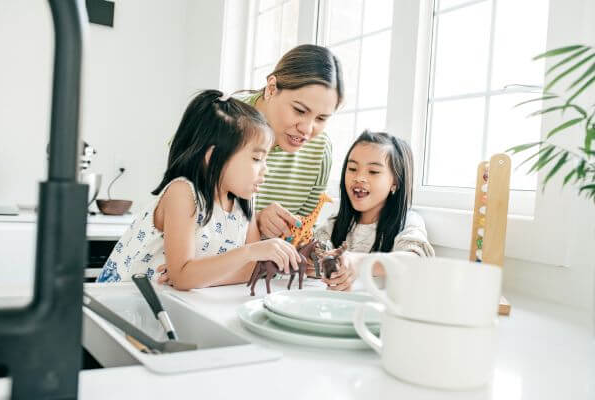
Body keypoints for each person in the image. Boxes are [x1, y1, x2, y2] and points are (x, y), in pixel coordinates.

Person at [96, 90, 301, 290]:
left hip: (168, 306)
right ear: (213, 156)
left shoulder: (243, 202)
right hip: (122, 303)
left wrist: (195, 276)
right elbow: (185, 277)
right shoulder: (183, 194)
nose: (266, 168)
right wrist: (249, 253)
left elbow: (250, 271)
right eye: (257, 158)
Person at [239, 44, 344, 240]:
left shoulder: (320, 149)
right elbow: (180, 208)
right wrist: (255, 222)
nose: (307, 129)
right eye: (300, 110)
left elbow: (300, 231)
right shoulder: (218, 120)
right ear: (271, 88)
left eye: (321, 118)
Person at [314, 131, 435, 291]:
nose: (359, 177)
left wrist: (358, 262)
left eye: (373, 172)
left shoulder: (407, 222)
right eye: (352, 168)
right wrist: (316, 261)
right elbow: (318, 250)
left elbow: (415, 261)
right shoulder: (335, 222)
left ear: (396, 183)